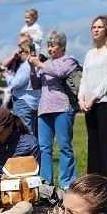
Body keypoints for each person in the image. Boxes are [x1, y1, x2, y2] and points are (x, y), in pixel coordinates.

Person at [25, 30, 80, 187]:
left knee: (64, 147)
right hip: (44, 110)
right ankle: (45, 182)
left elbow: (60, 73)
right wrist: (32, 69)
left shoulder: (69, 60)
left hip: (62, 108)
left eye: (53, 46)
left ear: (62, 46)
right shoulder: (45, 64)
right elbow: (36, 85)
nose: (49, 49)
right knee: (44, 148)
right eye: (48, 46)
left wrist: (39, 64)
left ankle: (67, 182)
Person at [78, 15, 107, 181]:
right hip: (89, 105)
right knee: (93, 145)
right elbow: (84, 78)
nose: (96, 30)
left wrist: (93, 97)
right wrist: (81, 98)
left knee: (106, 146)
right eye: (93, 27)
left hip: (105, 103)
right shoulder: (89, 54)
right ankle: (94, 182)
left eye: (99, 27)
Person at [1, 31, 41, 138]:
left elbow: (16, 84)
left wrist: (7, 76)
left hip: (23, 102)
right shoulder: (32, 63)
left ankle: (28, 153)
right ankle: (33, 153)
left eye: (21, 52)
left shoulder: (27, 65)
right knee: (31, 131)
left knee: (25, 131)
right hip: (30, 101)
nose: (19, 54)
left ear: (26, 51)